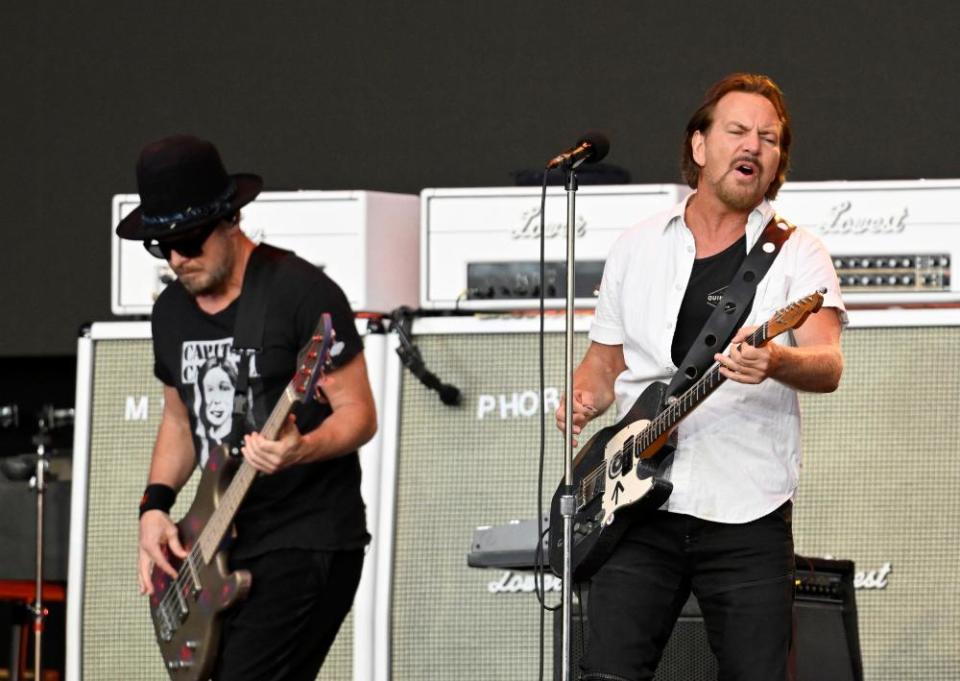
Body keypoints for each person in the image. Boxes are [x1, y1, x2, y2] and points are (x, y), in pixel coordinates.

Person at [556, 73, 845, 681]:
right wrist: (585, 395)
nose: (753, 146)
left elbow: (829, 363)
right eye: (737, 131)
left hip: (747, 508)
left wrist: (778, 360)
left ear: (776, 164)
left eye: (769, 139)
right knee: (606, 672)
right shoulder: (637, 245)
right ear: (698, 146)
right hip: (634, 506)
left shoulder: (798, 253)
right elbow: (605, 363)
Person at [118, 134, 377, 681]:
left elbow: (358, 414)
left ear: (230, 219)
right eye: (161, 245)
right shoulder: (170, 312)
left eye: (188, 240)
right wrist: (154, 507)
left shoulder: (301, 293)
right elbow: (179, 420)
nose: (177, 258)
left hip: (304, 536)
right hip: (216, 538)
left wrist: (300, 448)